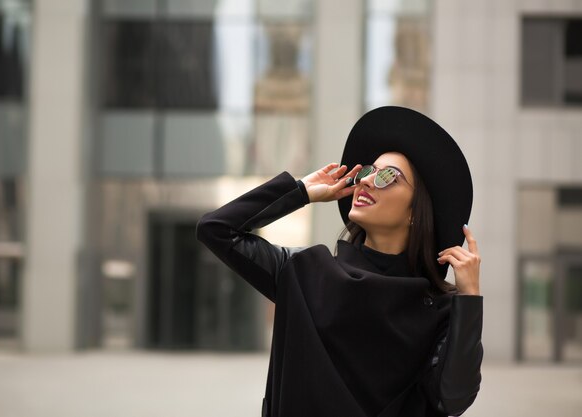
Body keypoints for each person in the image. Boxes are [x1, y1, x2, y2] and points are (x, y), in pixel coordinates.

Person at [196, 106, 483, 417]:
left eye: (388, 176)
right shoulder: (303, 272)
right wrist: (300, 191)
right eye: (366, 171)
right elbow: (216, 230)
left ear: (415, 212)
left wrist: (470, 300)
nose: (368, 181)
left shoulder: (438, 308)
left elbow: (453, 398)